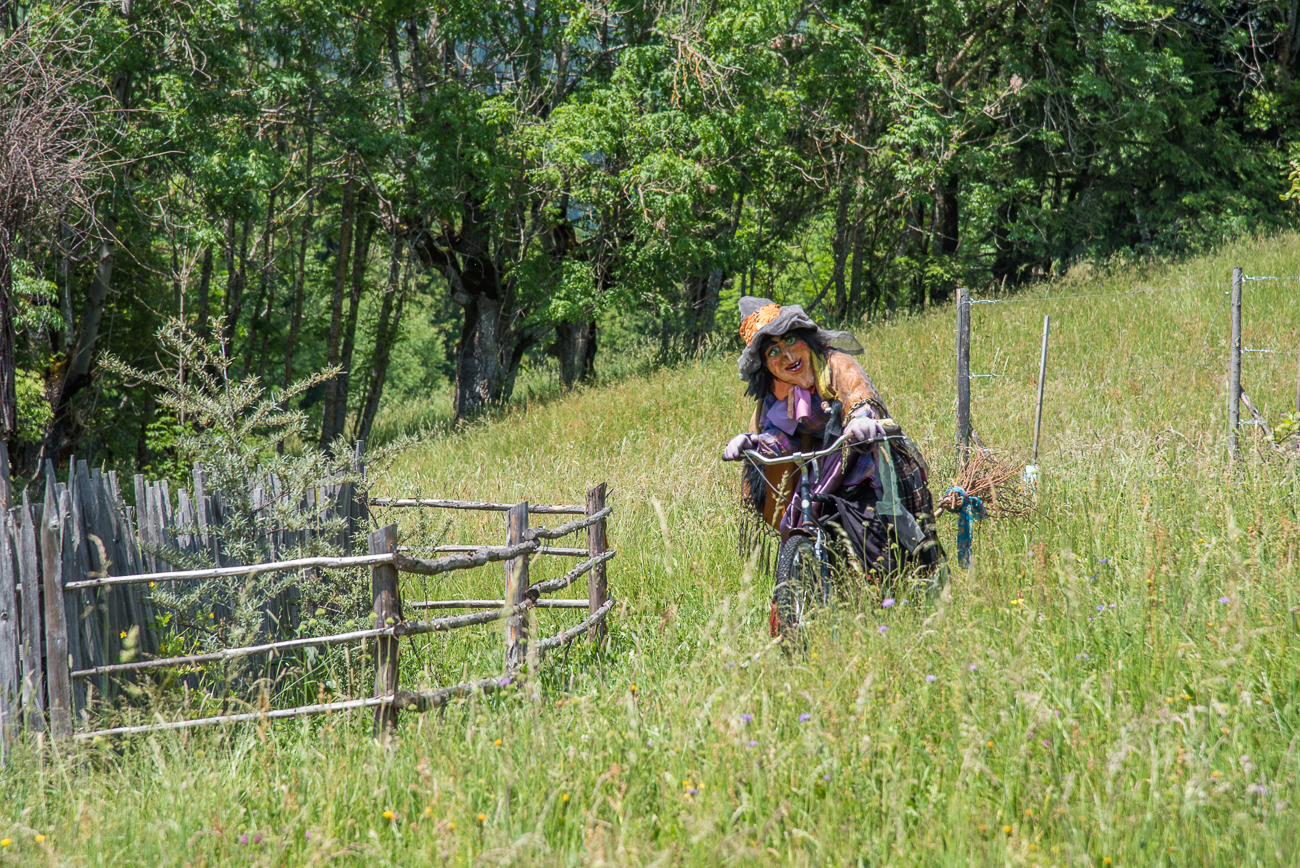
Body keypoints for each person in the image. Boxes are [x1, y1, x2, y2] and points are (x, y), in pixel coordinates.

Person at [723, 296, 945, 584]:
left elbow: (859, 396)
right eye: (774, 351)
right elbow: (778, 436)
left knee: (872, 528)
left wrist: (861, 419)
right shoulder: (778, 392)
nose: (787, 356)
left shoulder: (835, 363)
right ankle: (809, 594)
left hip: (863, 453)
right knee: (803, 517)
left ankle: (899, 587)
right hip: (823, 464)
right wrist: (752, 443)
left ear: (805, 339)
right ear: (767, 366)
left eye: (791, 341)